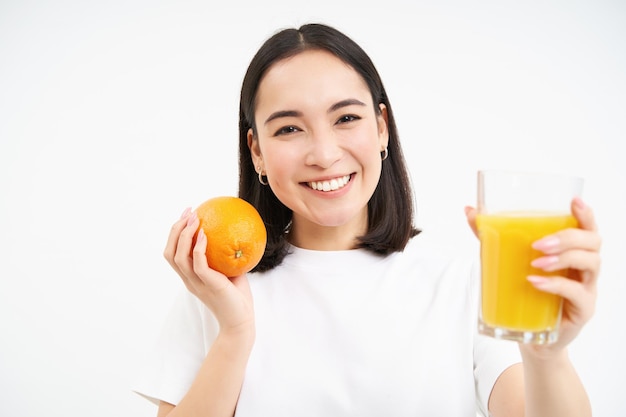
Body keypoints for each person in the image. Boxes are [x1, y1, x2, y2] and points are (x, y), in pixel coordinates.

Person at [133, 23, 601, 417]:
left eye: (346, 119)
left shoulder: (462, 285)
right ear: (256, 150)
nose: (324, 153)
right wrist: (235, 335)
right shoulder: (219, 291)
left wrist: (547, 355)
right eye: (289, 128)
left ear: (381, 128)